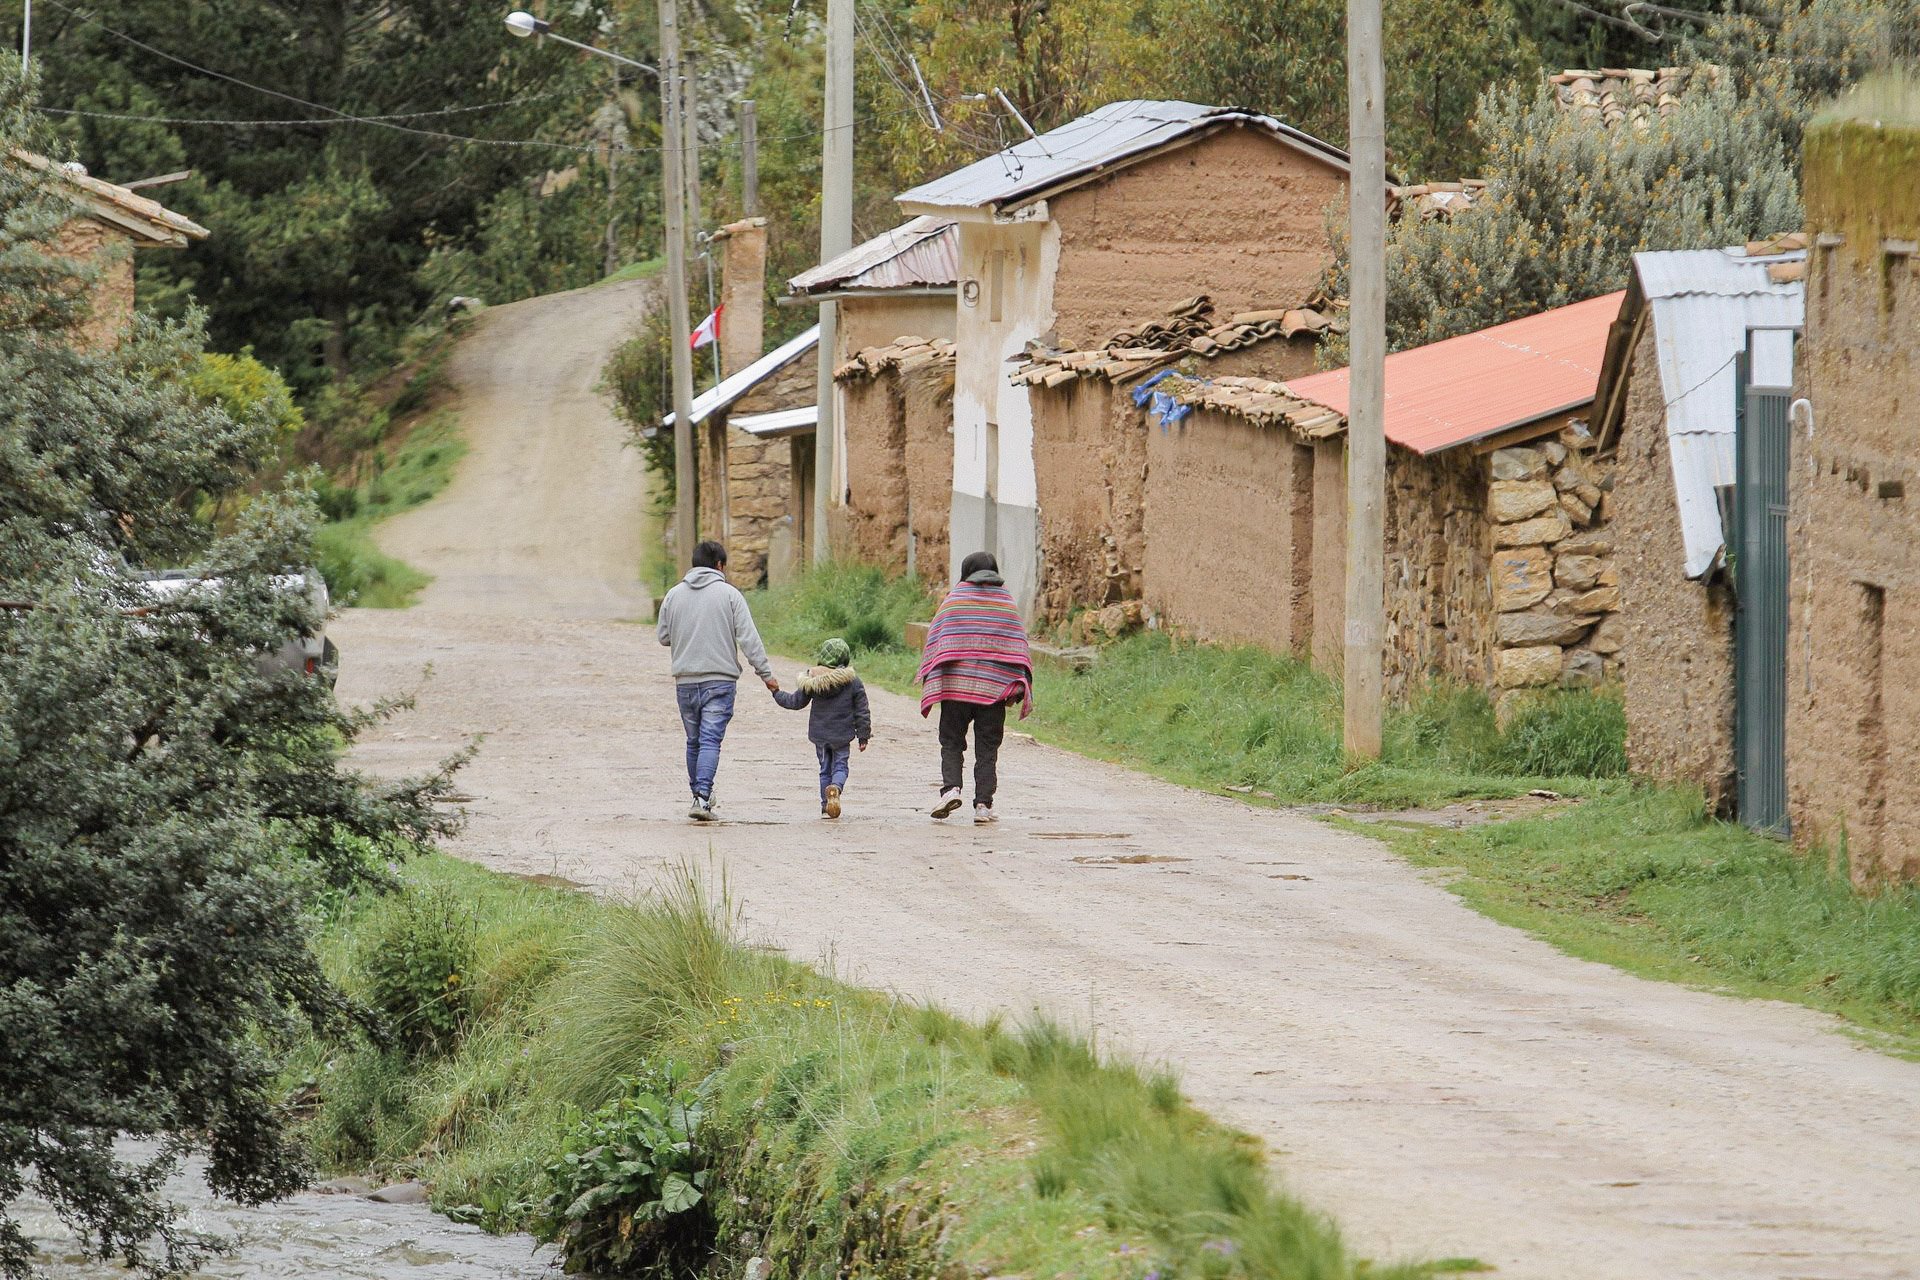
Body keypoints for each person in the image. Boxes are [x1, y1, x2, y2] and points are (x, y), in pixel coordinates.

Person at [656, 540, 778, 821]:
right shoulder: (730, 595)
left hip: (685, 682)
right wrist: (767, 676)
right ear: (720, 565)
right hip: (720, 682)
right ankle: (701, 797)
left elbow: (663, 637)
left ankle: (699, 795)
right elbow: (749, 639)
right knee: (710, 740)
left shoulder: (673, 595)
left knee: (694, 741)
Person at [917, 551, 1033, 824]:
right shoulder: (1006, 603)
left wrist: (933, 678)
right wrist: (1014, 685)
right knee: (987, 749)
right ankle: (983, 805)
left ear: (965, 571)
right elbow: (1018, 646)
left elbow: (937, 641)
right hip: (993, 693)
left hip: (956, 690)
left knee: (951, 742)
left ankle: (951, 790)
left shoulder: (954, 600)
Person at [771, 637, 872, 819]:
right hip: (842, 736)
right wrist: (863, 736)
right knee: (840, 767)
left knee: (825, 769)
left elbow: (795, 702)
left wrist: (776, 693)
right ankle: (836, 788)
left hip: (820, 736)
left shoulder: (813, 681)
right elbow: (862, 710)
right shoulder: (853, 681)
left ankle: (826, 806)